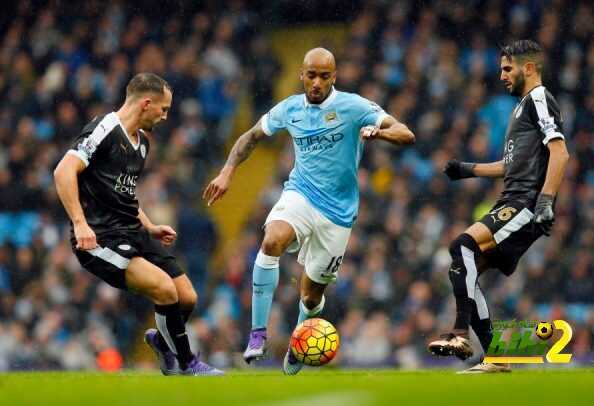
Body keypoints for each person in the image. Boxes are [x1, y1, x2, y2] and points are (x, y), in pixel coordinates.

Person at [203, 48, 415, 375]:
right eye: (311, 75)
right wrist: (227, 171)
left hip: (338, 213)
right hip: (300, 194)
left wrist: (380, 132)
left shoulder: (354, 106)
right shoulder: (289, 108)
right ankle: (257, 334)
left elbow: (406, 133)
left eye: (324, 76)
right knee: (272, 239)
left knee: (312, 295)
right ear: (301, 74)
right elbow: (251, 135)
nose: (316, 82)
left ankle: (298, 343)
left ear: (335, 77)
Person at [53, 73, 223, 376]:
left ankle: (161, 340)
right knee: (164, 289)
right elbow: (63, 171)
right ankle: (187, 364)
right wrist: (80, 223)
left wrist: (150, 225)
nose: (165, 116)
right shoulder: (104, 130)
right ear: (146, 103)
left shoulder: (142, 143)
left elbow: (125, 194)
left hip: (132, 229)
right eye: (164, 109)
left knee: (187, 298)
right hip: (99, 236)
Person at [427, 40, 570, 373]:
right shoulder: (522, 107)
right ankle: (498, 356)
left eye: (508, 69)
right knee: (463, 267)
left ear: (529, 68)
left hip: (525, 202)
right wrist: (468, 169)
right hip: (514, 199)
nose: (503, 76)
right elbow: (510, 165)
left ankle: (460, 334)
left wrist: (545, 202)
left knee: (461, 246)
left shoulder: (538, 98)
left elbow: (561, 152)